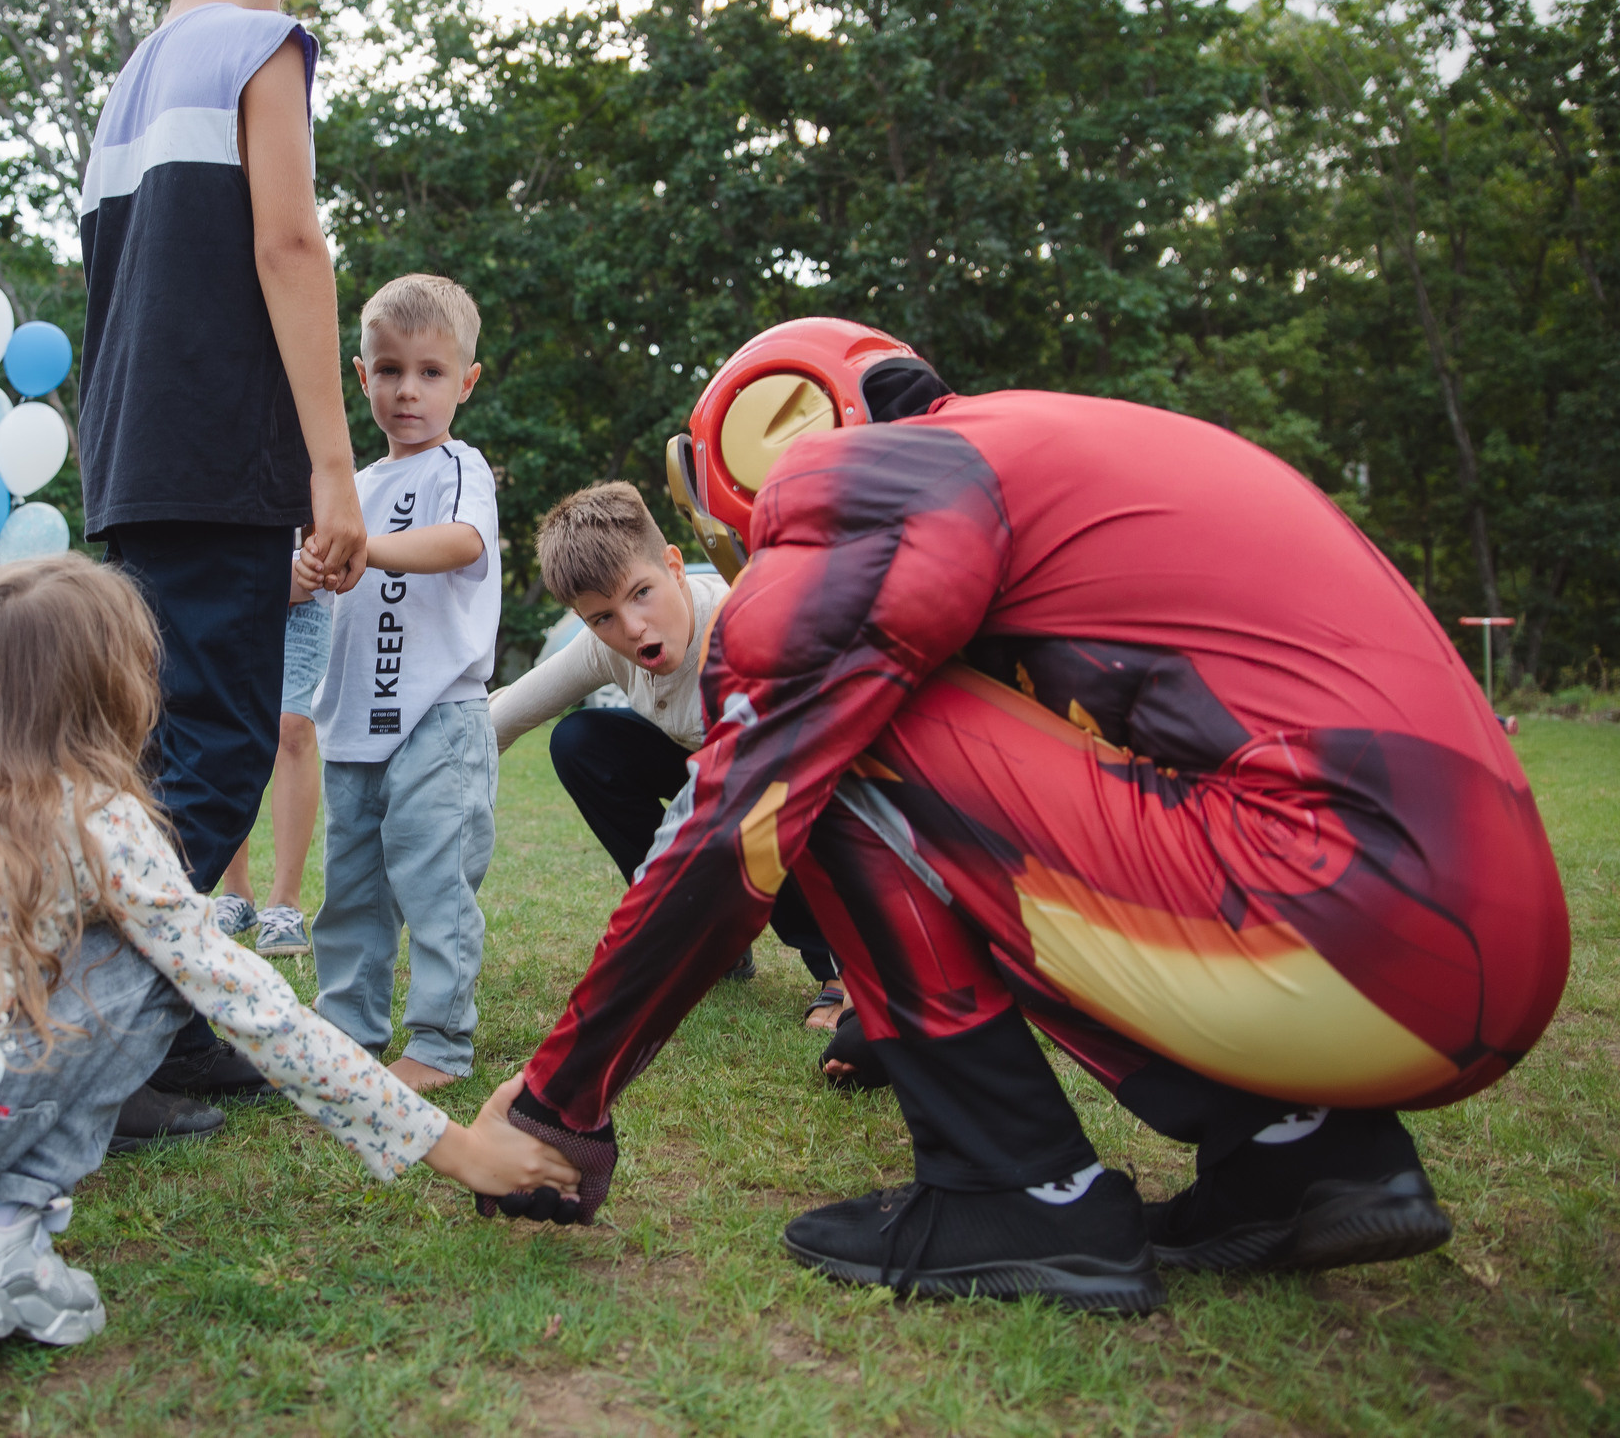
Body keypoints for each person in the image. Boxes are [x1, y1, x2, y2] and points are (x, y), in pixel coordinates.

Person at [476, 316, 1569, 1314]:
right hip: (1487, 931)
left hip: (1343, 921)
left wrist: (557, 1097)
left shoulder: (869, 480)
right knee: (889, 708)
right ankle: (1299, 1149)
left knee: (825, 727)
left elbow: (742, 817)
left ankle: (1018, 1184)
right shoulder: (1056, 450)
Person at [0, 554, 576, 1343]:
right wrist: (454, 1148)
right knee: (166, 960)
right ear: (115, 685)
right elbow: (249, 1004)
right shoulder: (88, 811)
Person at [75, 0, 369, 1124]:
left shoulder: (127, 85)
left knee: (147, 746)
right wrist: (332, 462)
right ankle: (101, 1036)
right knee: (217, 745)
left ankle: (178, 1025)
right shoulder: (264, 39)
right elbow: (288, 240)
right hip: (213, 453)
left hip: (126, 454)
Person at [488, 482, 842, 1016]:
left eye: (641, 593)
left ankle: (837, 969)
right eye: (602, 617)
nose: (631, 628)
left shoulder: (738, 624)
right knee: (579, 741)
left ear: (675, 567)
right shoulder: (604, 650)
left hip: (800, 782)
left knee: (753, 798)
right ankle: (704, 941)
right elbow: (505, 715)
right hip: (706, 768)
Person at [308, 275, 500, 1095]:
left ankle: (440, 1041)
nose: (407, 390)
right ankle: (346, 1027)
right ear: (361, 376)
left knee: (434, 882)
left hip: (437, 718)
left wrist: (366, 548)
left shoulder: (460, 466)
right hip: (353, 724)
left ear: (466, 380)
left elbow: (460, 544)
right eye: (389, 370)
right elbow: (314, 575)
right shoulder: (347, 487)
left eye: (429, 371)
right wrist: (307, 563)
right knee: (349, 889)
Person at [209, 588, 330, 957]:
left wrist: (304, 569)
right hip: (238, 583)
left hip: (312, 588)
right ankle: (235, 892)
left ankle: (284, 902)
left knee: (293, 726)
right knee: (228, 726)